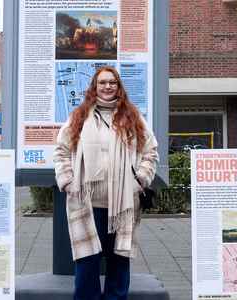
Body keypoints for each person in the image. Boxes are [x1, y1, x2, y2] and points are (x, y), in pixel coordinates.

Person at [54, 66, 159, 300]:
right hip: (86, 203)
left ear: (118, 86)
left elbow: (150, 152)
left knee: (119, 261)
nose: (108, 86)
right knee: (87, 261)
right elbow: (61, 151)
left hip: (123, 204)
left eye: (112, 82)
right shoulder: (79, 117)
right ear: (95, 86)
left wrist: (140, 179)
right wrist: (68, 180)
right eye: (103, 82)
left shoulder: (132, 117)